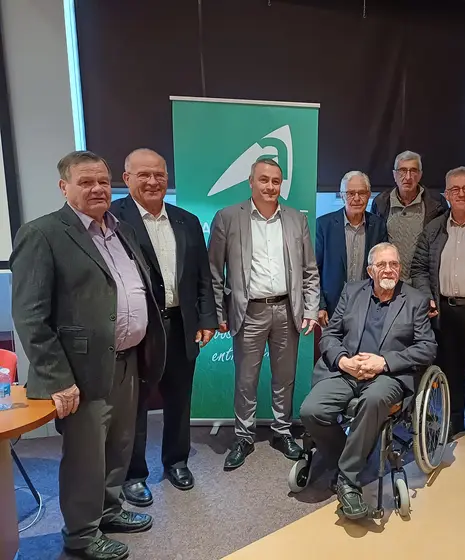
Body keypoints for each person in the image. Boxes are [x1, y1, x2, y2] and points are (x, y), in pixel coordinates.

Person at [10, 151, 166, 560]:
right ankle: (81, 534)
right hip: (80, 372)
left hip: (127, 361)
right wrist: (56, 377)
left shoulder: (122, 230)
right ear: (64, 187)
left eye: (103, 181)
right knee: (85, 458)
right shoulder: (43, 233)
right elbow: (29, 315)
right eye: (86, 182)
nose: (98, 188)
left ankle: (109, 510)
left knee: (119, 445)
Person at [110, 148, 217, 506]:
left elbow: (202, 277)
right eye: (144, 175)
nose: (153, 181)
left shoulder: (186, 220)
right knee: (135, 404)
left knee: (179, 399)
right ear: (127, 179)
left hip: (182, 325)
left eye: (160, 175)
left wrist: (206, 320)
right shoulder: (112, 219)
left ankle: (176, 461)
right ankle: (134, 474)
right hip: (139, 331)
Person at [300, 242, 437, 520]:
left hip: (388, 376)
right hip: (347, 371)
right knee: (310, 411)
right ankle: (349, 455)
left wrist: (383, 362)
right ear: (370, 270)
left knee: (374, 399)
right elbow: (330, 335)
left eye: (394, 264)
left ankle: (348, 480)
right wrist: (343, 361)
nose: (389, 270)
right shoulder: (352, 292)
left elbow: (427, 347)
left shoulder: (415, 300)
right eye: (382, 265)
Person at [208, 158, 320, 470]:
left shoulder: (297, 219)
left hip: (288, 309)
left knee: (285, 379)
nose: (270, 186)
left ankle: (282, 431)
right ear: (251, 181)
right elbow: (214, 271)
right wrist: (218, 312)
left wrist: (310, 308)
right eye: (264, 180)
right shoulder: (228, 217)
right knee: (246, 379)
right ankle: (243, 436)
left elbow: (310, 270)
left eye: (275, 181)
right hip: (249, 312)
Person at [410, 166, 465, 458]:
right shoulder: (434, 228)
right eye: (454, 190)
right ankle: (454, 424)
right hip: (445, 314)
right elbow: (419, 267)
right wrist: (426, 297)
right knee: (451, 373)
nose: (460, 194)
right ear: (446, 194)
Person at [316, 170, 387, 327]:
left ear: (369, 195)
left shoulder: (378, 226)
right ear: (342, 195)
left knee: (364, 352)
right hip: (333, 307)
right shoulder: (323, 225)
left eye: (361, 193)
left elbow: (383, 269)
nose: (356, 198)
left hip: (369, 307)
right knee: (334, 350)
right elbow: (315, 270)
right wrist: (320, 305)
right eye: (350, 193)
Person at [371, 150, 449, 283]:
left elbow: (442, 245)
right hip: (388, 280)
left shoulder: (436, 204)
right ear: (394, 175)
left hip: (423, 282)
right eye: (402, 170)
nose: (408, 177)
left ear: (420, 175)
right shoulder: (380, 202)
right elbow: (374, 242)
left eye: (413, 171)